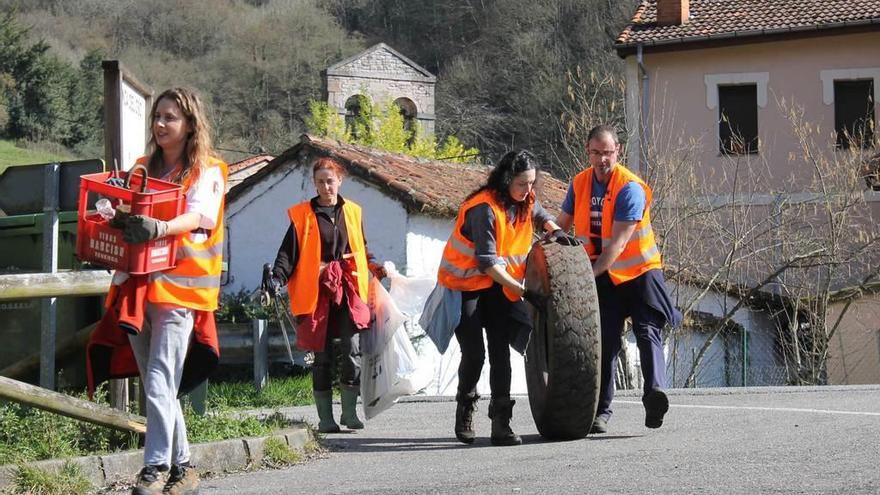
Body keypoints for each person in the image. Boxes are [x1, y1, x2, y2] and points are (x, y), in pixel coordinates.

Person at [426, 150, 576, 446]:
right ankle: (465, 409)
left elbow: (540, 214)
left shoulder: (526, 200)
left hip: (496, 287)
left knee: (500, 352)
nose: (528, 190)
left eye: (532, 183)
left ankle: (501, 423)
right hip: (465, 288)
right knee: (475, 354)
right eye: (522, 184)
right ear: (506, 180)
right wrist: (521, 291)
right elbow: (487, 262)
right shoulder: (484, 209)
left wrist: (556, 231)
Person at [120, 87, 228, 495]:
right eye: (157, 117)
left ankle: (154, 468)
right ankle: (184, 468)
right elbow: (126, 207)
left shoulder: (208, 170)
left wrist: (161, 228)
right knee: (156, 382)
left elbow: (199, 216)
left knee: (162, 377)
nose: (160, 124)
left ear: (189, 125)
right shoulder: (142, 167)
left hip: (181, 290)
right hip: (138, 286)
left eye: (170, 117)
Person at [555, 124, 681, 434]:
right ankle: (601, 412)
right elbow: (561, 227)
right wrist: (547, 242)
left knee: (647, 329)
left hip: (639, 272)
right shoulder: (580, 184)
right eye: (596, 153)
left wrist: (586, 275)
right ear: (588, 152)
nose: (601, 160)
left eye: (607, 153)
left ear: (618, 152)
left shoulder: (630, 188)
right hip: (602, 275)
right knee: (606, 341)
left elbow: (618, 245)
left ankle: (654, 394)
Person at [266, 157, 386, 434]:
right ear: (314, 183)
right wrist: (276, 278)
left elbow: (361, 248)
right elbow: (287, 255)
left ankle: (348, 412)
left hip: (348, 290)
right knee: (322, 357)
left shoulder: (353, 212)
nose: (325, 186)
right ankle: (325, 419)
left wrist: (376, 269)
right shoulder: (302, 215)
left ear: (339, 181)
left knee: (353, 349)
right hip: (316, 293)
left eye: (330, 181)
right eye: (320, 181)